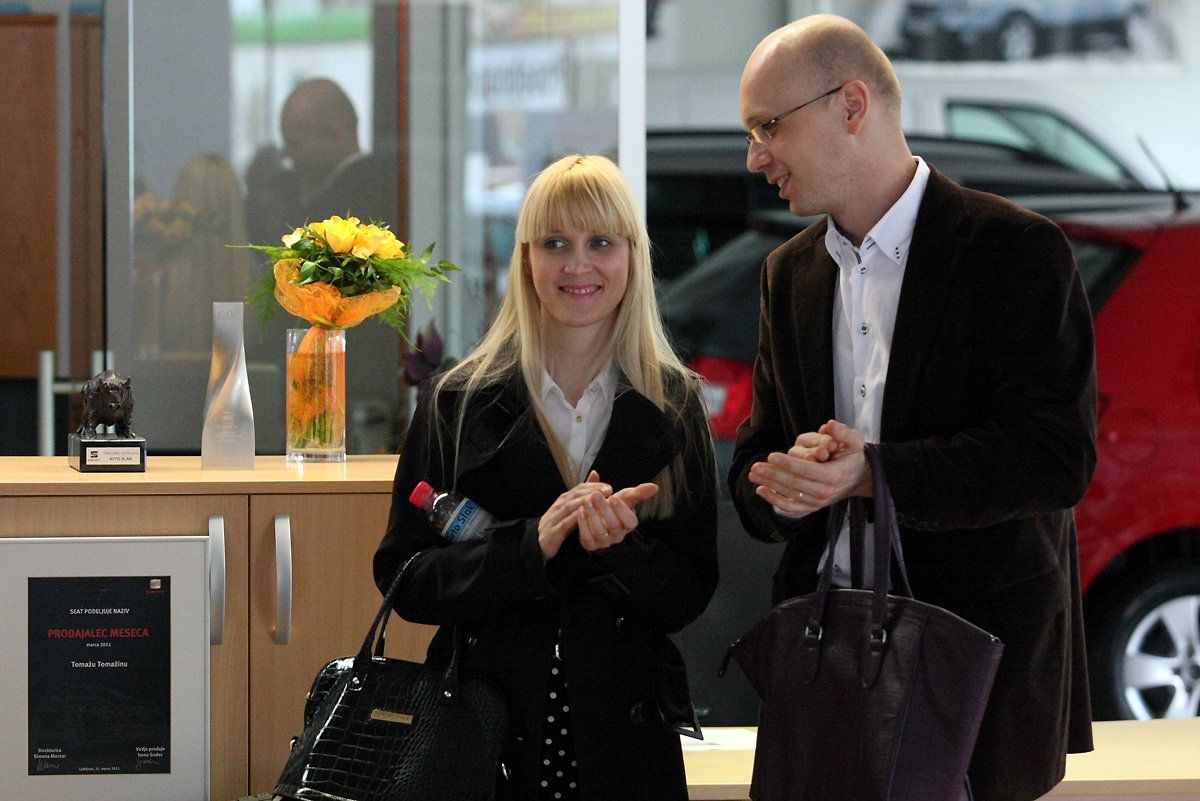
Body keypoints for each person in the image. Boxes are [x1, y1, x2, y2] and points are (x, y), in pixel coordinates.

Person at [729, 15, 1096, 801]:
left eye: (768, 126)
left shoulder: (1015, 250)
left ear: (851, 105)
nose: (756, 157)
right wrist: (789, 482)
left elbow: (1055, 457)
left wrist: (875, 474)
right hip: (826, 666)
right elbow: (754, 465)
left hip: (976, 676)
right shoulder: (788, 274)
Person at [373, 154, 718, 801]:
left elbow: (689, 594)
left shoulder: (676, 404)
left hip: (625, 742)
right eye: (555, 243)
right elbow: (405, 578)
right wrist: (529, 545)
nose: (577, 265)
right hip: (479, 736)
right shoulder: (456, 402)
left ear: (633, 255)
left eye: (601, 242)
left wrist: (618, 549)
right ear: (525, 258)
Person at [244, 77, 398, 244]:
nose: (287, 154)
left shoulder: (343, 205)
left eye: (295, 143)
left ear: (336, 134)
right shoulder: (389, 188)